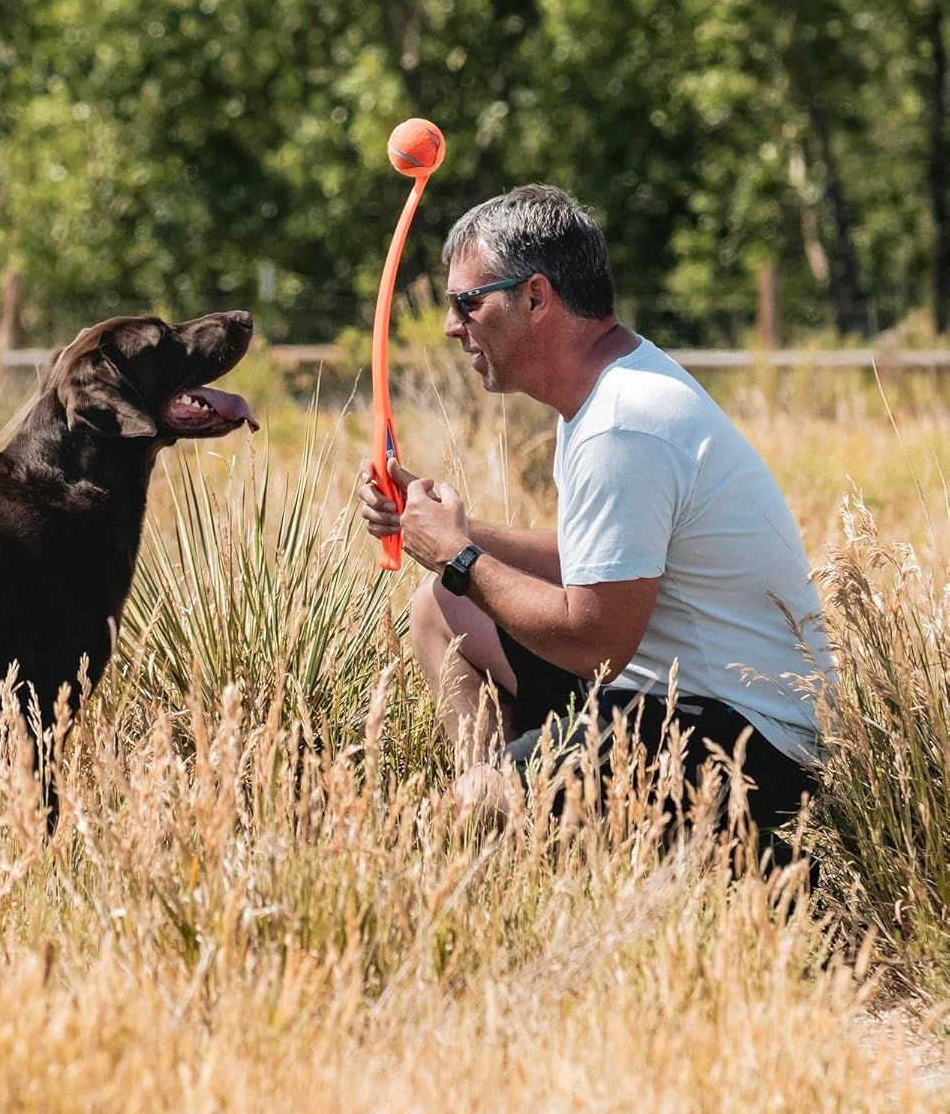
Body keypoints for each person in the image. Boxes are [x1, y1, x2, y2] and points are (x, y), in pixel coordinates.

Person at [357, 184, 834, 836]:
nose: (450, 325)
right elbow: (600, 565)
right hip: (665, 697)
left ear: (535, 297)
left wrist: (457, 555)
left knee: (474, 803)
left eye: (466, 302)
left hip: (749, 743)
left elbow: (595, 642)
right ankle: (525, 811)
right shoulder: (605, 388)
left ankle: (501, 809)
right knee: (441, 607)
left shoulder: (621, 424)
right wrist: (447, 531)